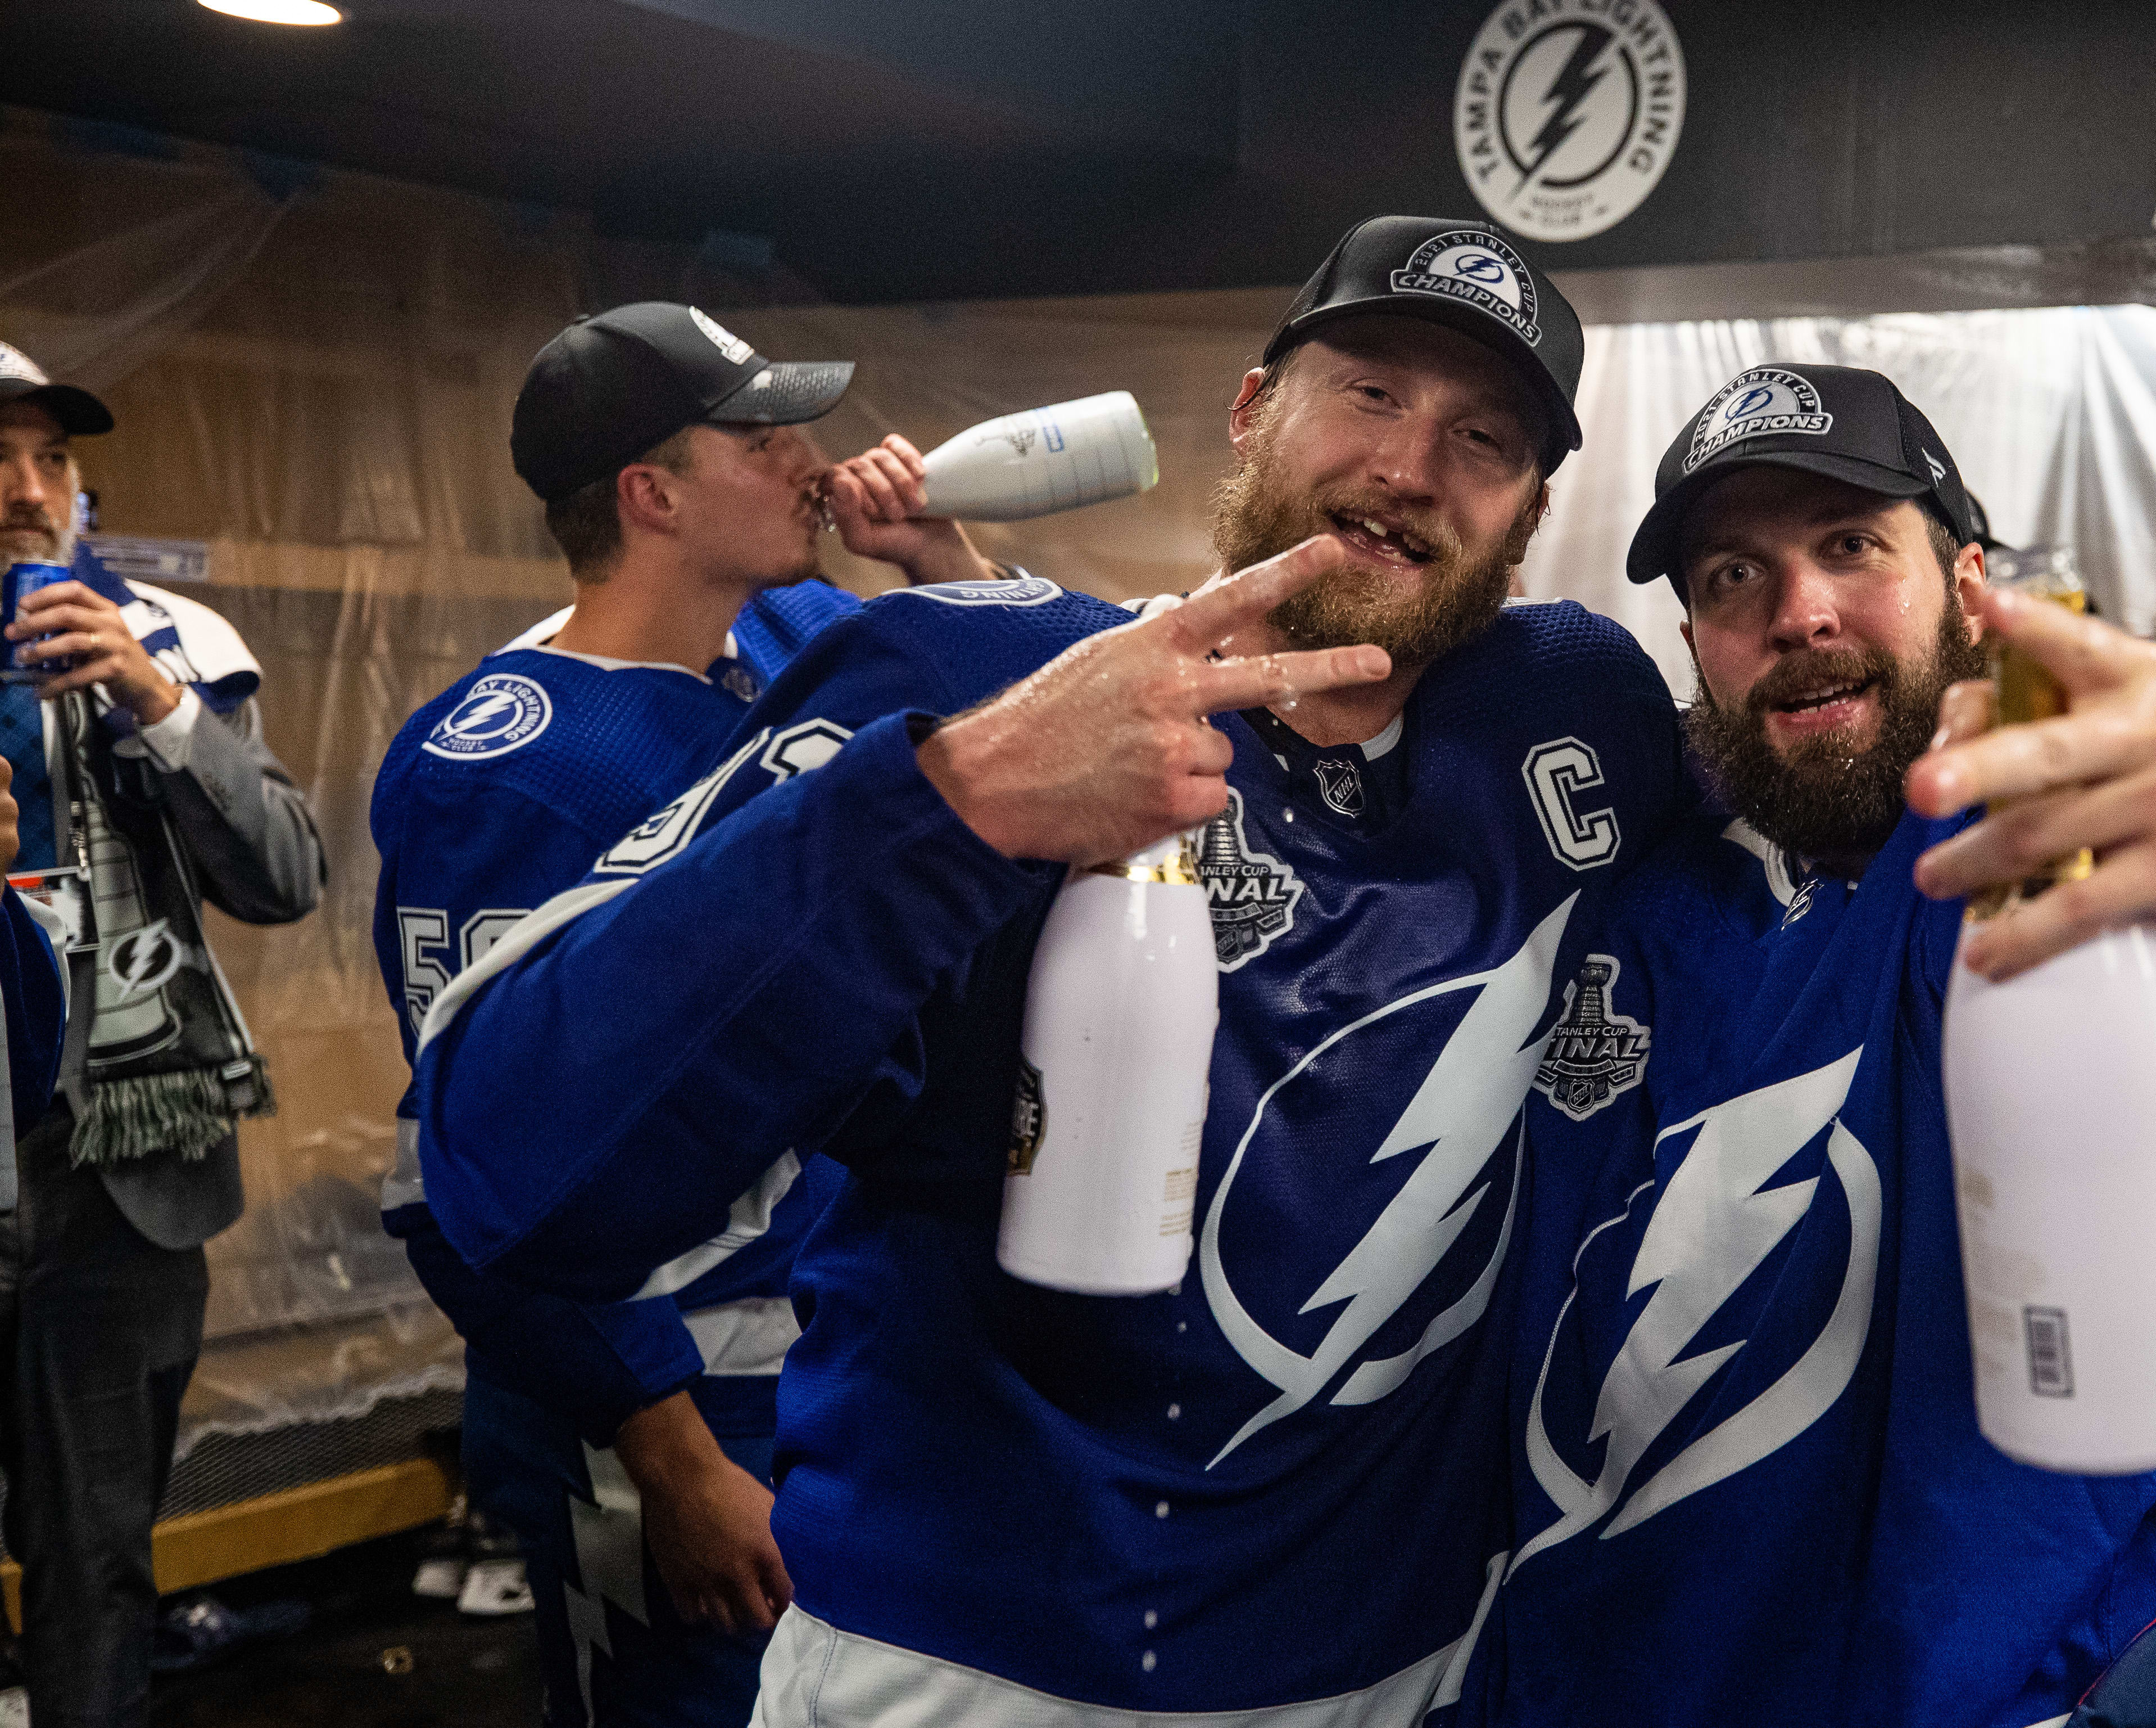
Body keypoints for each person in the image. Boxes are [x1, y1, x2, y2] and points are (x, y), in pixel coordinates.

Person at [405, 215, 1706, 1722]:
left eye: (1481, 435)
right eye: (1367, 395)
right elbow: (513, 1164)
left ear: (1532, 505)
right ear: (1247, 409)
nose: (1411, 467)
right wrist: (953, 797)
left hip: (1404, 1662)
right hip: (979, 1669)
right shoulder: (978, 679)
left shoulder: (1568, 712)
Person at [1458, 364, 2156, 1726]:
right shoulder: (1612, 881)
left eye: (1848, 546)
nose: (1796, 613)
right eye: (1730, 576)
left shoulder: (2072, 836)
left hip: (2032, 1688)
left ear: (1966, 588)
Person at [370, 303, 993, 1727]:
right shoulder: (514, 763)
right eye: (763, 439)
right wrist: (666, 1455)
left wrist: (936, 559)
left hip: (833, 1367)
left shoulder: (775, 649)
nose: (813, 464)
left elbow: (1000, 696)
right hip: (674, 1403)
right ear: (651, 496)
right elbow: (474, 1169)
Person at [0, 339, 324, 1728]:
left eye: (51, 459)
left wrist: (160, 704)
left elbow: (283, 877)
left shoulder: (174, 641)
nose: (27, 491)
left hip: (114, 1179)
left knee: (97, 1564)